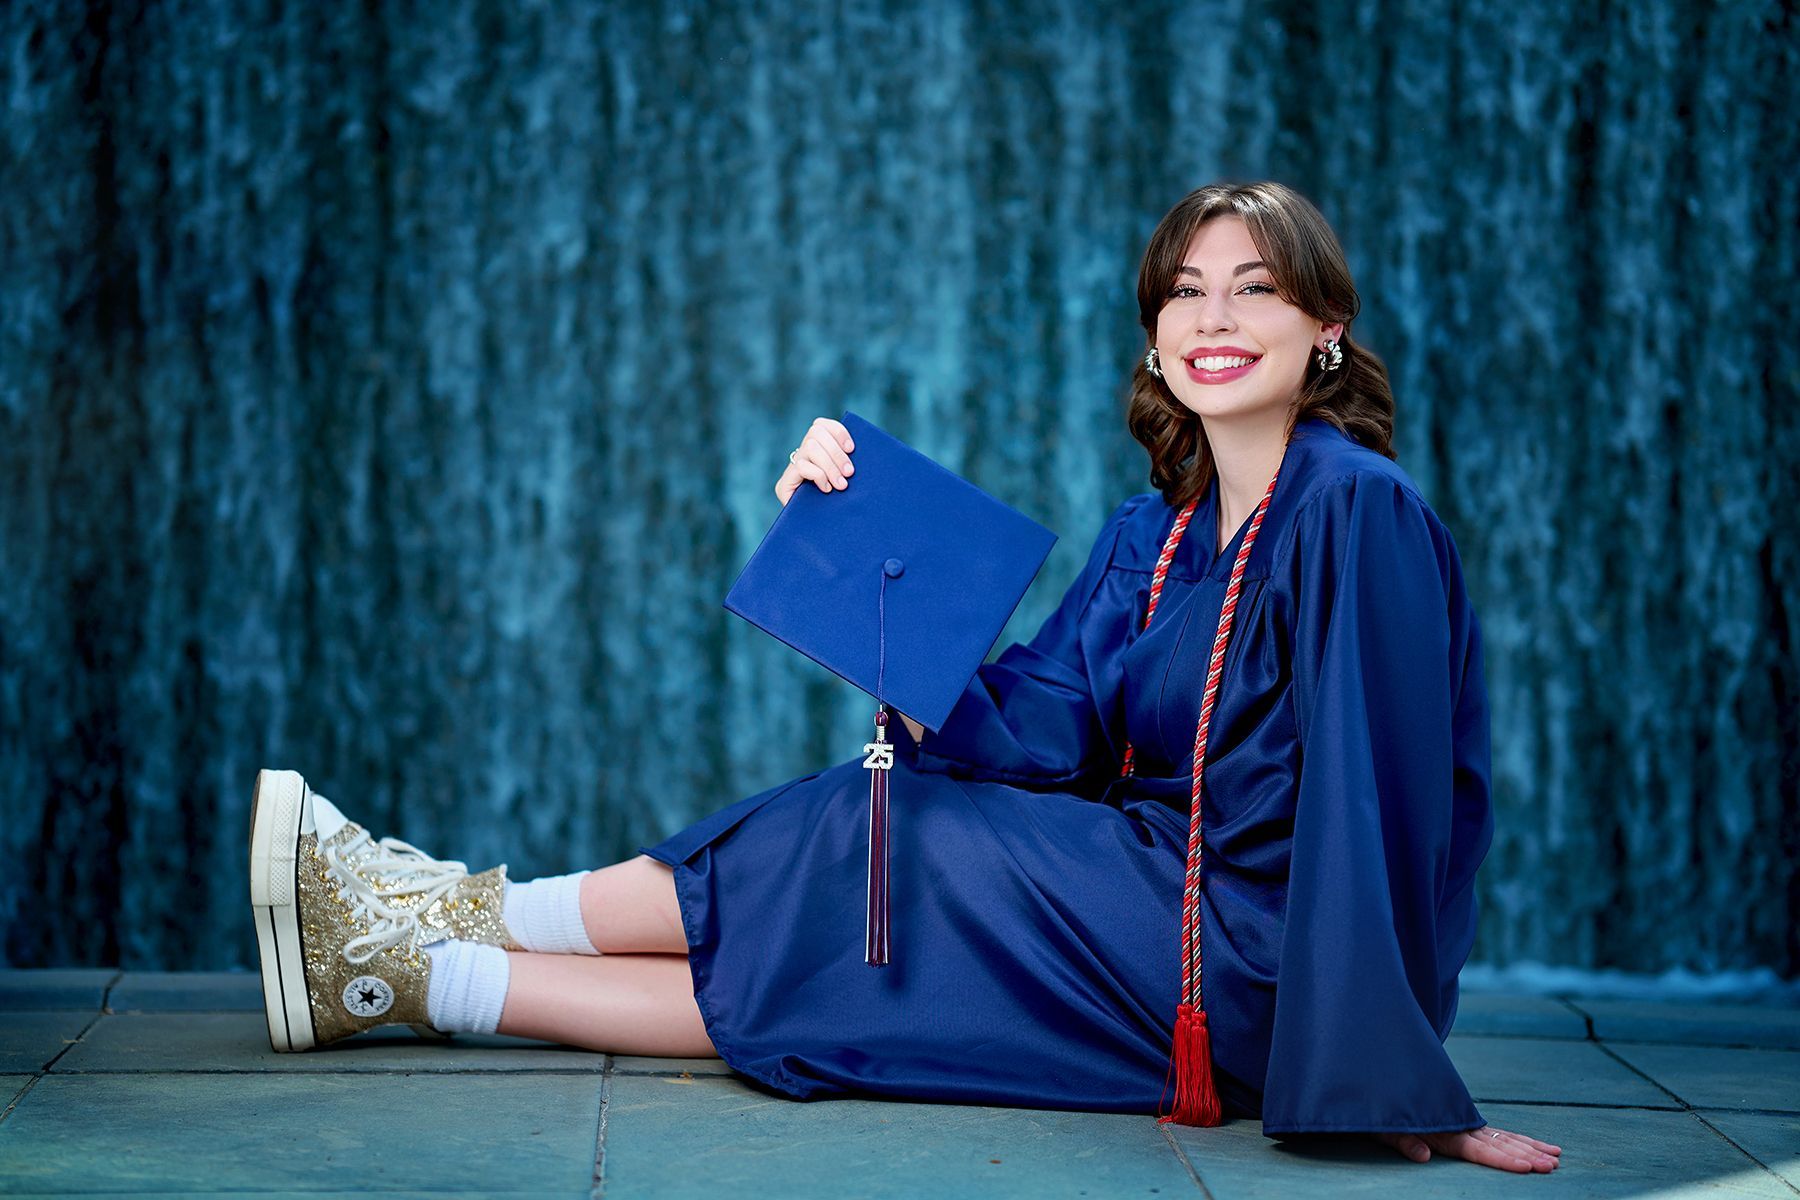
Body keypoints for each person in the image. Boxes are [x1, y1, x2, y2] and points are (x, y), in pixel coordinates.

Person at [249, 180, 1560, 1174]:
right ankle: (415, 971)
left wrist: (1395, 1080)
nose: (1215, 318)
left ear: (1325, 328)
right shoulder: (1150, 537)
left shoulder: (1356, 508)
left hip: (1259, 964)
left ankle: (438, 903)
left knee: (866, 833)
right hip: (1148, 904)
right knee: (862, 913)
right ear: (1155, 338)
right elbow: (1033, 728)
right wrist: (847, 538)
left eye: (1257, 288)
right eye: (1184, 293)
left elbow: (1387, 803)